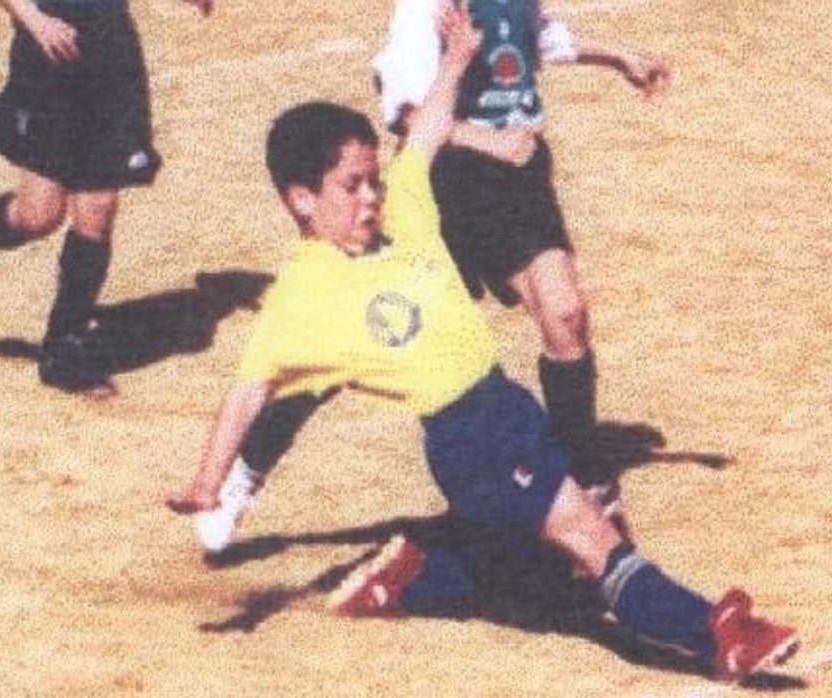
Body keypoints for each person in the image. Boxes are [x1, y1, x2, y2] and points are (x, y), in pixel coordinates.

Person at [166, 10, 796, 683]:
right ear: (300, 199)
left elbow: (432, 124)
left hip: (509, 409)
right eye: (350, 187)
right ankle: (715, 634)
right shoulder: (300, 300)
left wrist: (461, 56)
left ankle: (413, 576)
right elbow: (248, 392)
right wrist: (209, 482)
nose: (371, 197)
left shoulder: (405, 207)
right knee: (591, 543)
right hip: (469, 441)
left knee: (536, 571)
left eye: (372, 179)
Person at [371, 0, 671, 521]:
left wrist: (618, 56)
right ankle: (247, 467)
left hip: (516, 179)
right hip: (444, 185)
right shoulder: (427, 7)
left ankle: (584, 474)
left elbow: (538, 36)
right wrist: (486, 139)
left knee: (566, 314)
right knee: (390, 335)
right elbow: (404, 110)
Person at [0, 0, 214, 394]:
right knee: (40, 215)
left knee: (99, 206)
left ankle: (64, 347)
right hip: (50, 55)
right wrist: (34, 20)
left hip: (110, 58)